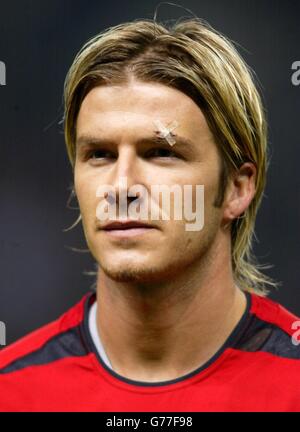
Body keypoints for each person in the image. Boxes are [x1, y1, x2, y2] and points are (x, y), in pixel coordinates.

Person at [0, 17, 299, 412]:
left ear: (237, 188)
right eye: (99, 155)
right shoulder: (12, 390)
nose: (122, 187)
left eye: (161, 153)